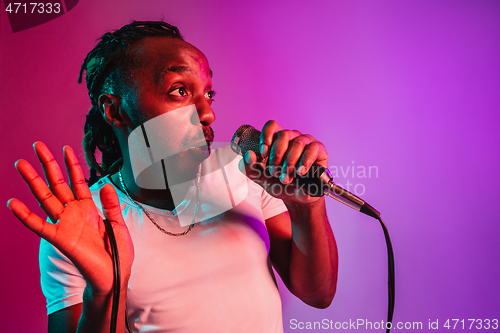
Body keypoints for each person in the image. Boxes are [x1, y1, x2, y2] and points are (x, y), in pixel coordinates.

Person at [7, 21, 338, 333]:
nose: (207, 113)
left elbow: (318, 294)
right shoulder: (82, 223)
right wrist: (108, 291)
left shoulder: (247, 173)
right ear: (114, 110)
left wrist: (305, 208)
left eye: (208, 93)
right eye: (180, 91)